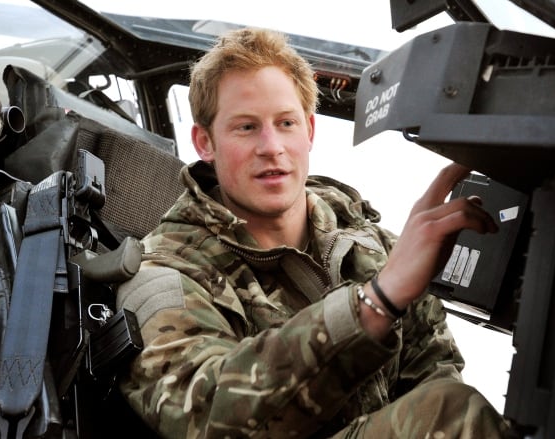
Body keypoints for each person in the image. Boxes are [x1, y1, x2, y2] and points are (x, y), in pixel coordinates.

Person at [116, 27, 509, 438]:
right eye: (246, 127)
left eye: (285, 123)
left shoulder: (371, 244)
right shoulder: (163, 273)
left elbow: (433, 372)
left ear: (309, 131)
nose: (271, 146)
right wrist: (375, 304)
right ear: (205, 143)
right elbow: (205, 418)